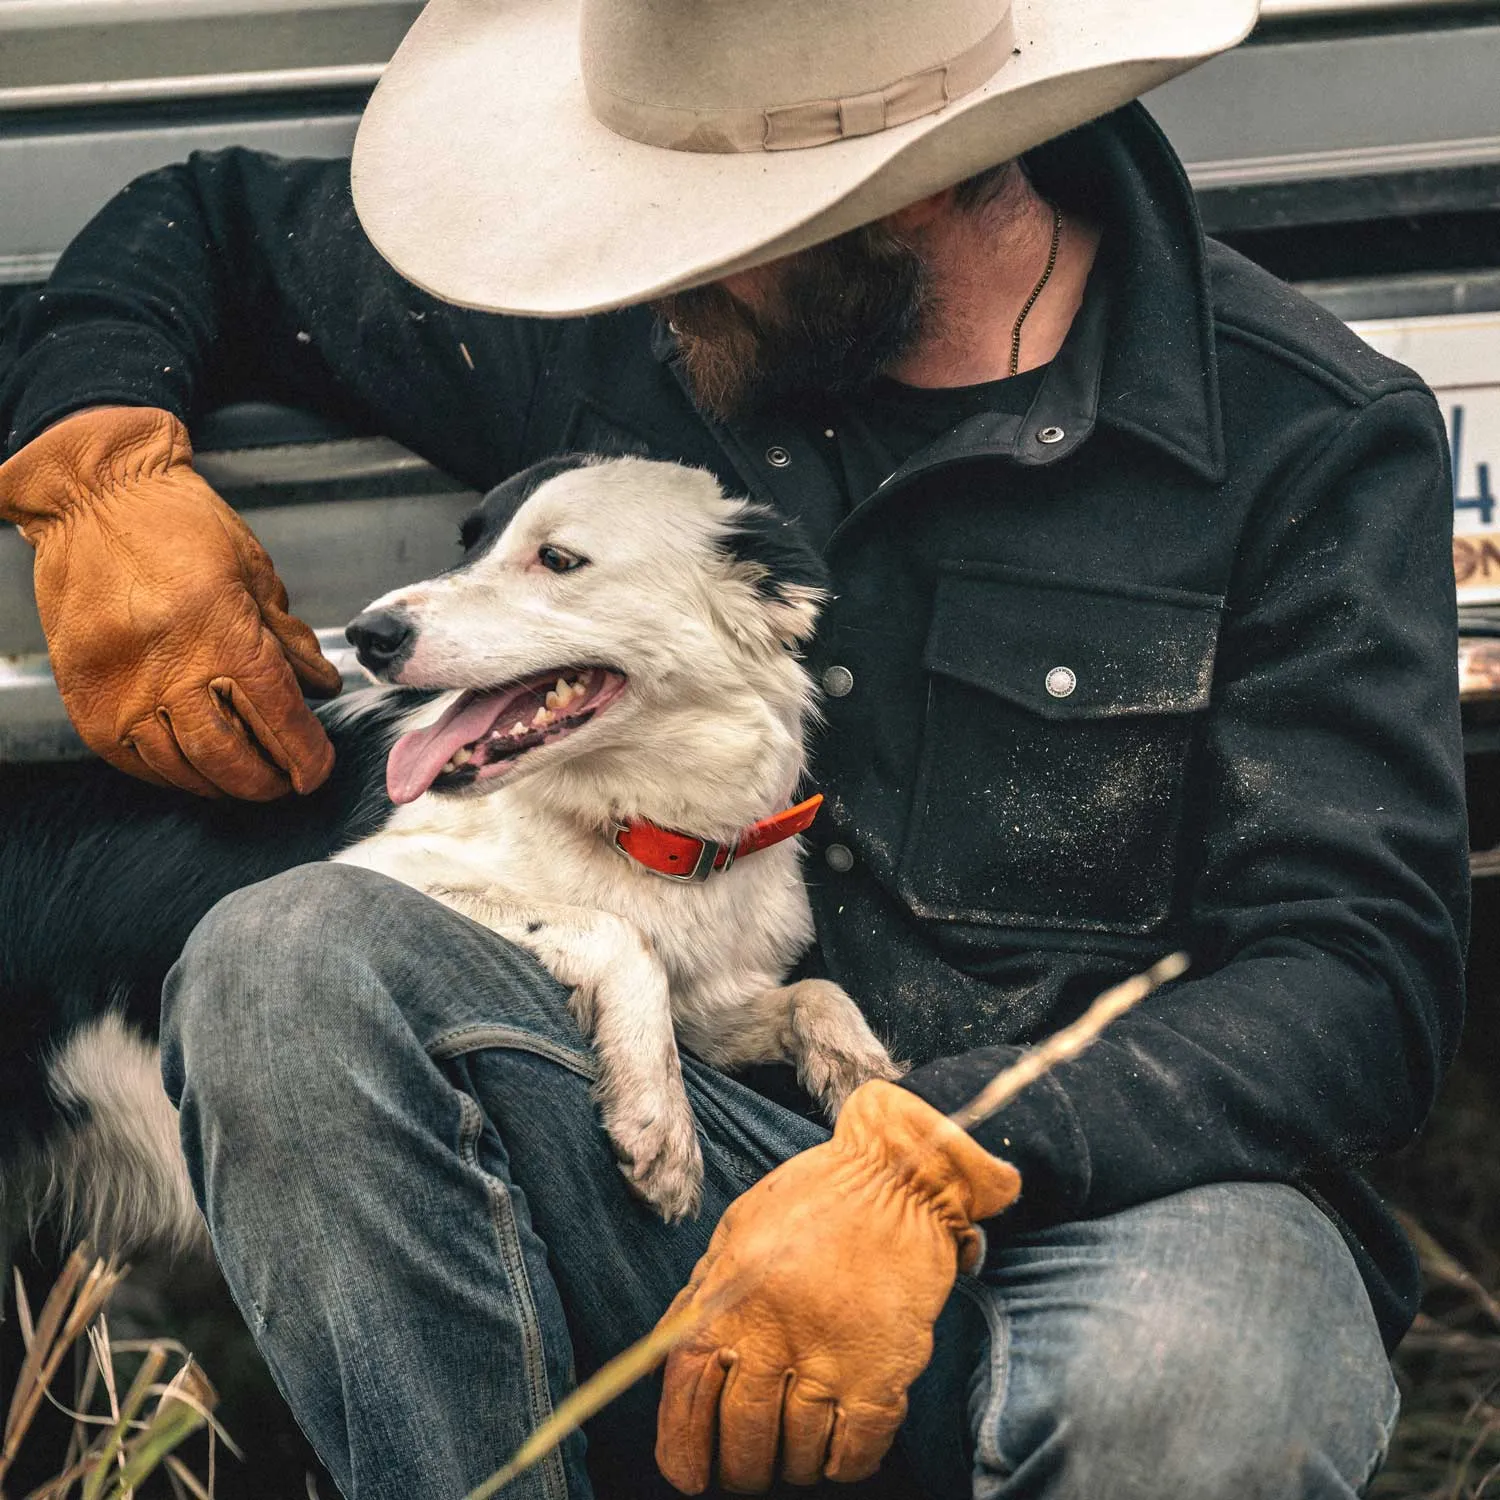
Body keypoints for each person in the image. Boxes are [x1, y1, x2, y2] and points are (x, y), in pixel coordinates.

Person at [0, 0, 1470, 1495]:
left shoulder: (1307, 434)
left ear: (922, 187)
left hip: (1126, 1192)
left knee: (1190, 1385)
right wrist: (101, 468)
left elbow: (1359, 974)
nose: (663, 254)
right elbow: (204, 225)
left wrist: (932, 1155)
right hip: (677, 1141)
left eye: (729, 217)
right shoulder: (643, 322)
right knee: (282, 956)